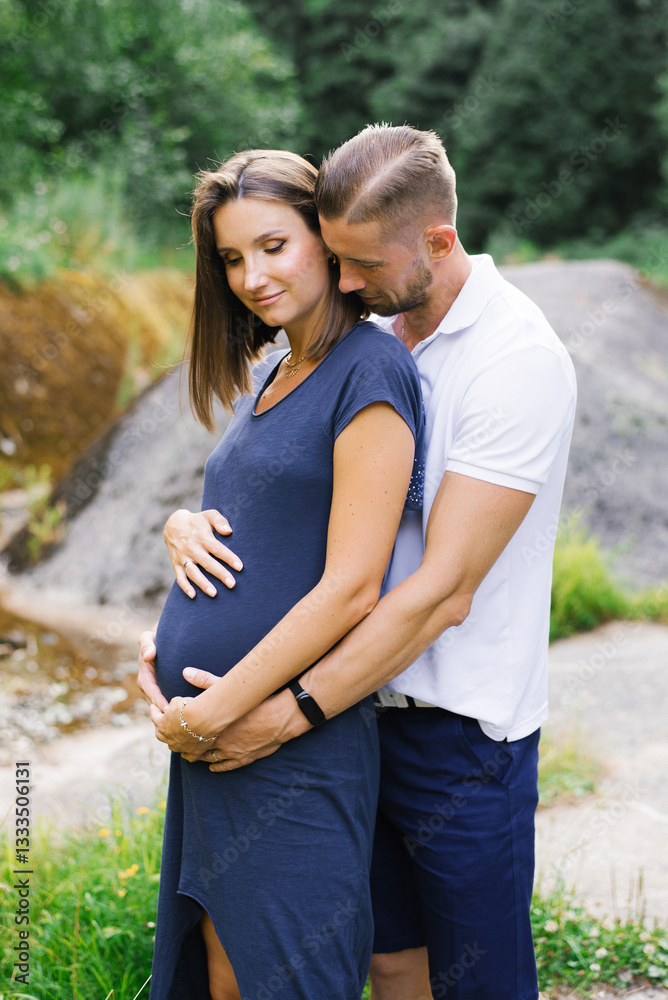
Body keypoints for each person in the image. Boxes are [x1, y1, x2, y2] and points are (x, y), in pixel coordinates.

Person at [139, 125, 577, 1000]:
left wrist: (274, 711)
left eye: (358, 265)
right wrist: (179, 525)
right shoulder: (362, 336)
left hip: (457, 729)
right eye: (330, 257)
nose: (341, 283)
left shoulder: (513, 361)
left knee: (476, 983)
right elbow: (287, 498)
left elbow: (438, 592)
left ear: (436, 243)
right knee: (383, 961)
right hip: (363, 710)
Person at [141, 146, 425, 1000]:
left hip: (284, 745)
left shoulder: (370, 369)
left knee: (291, 976)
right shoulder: (275, 370)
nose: (251, 276)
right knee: (226, 971)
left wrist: (215, 712)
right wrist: (177, 526)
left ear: (325, 239)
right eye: (231, 258)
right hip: (212, 745)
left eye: (273, 246)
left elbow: (351, 586)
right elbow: (257, 515)